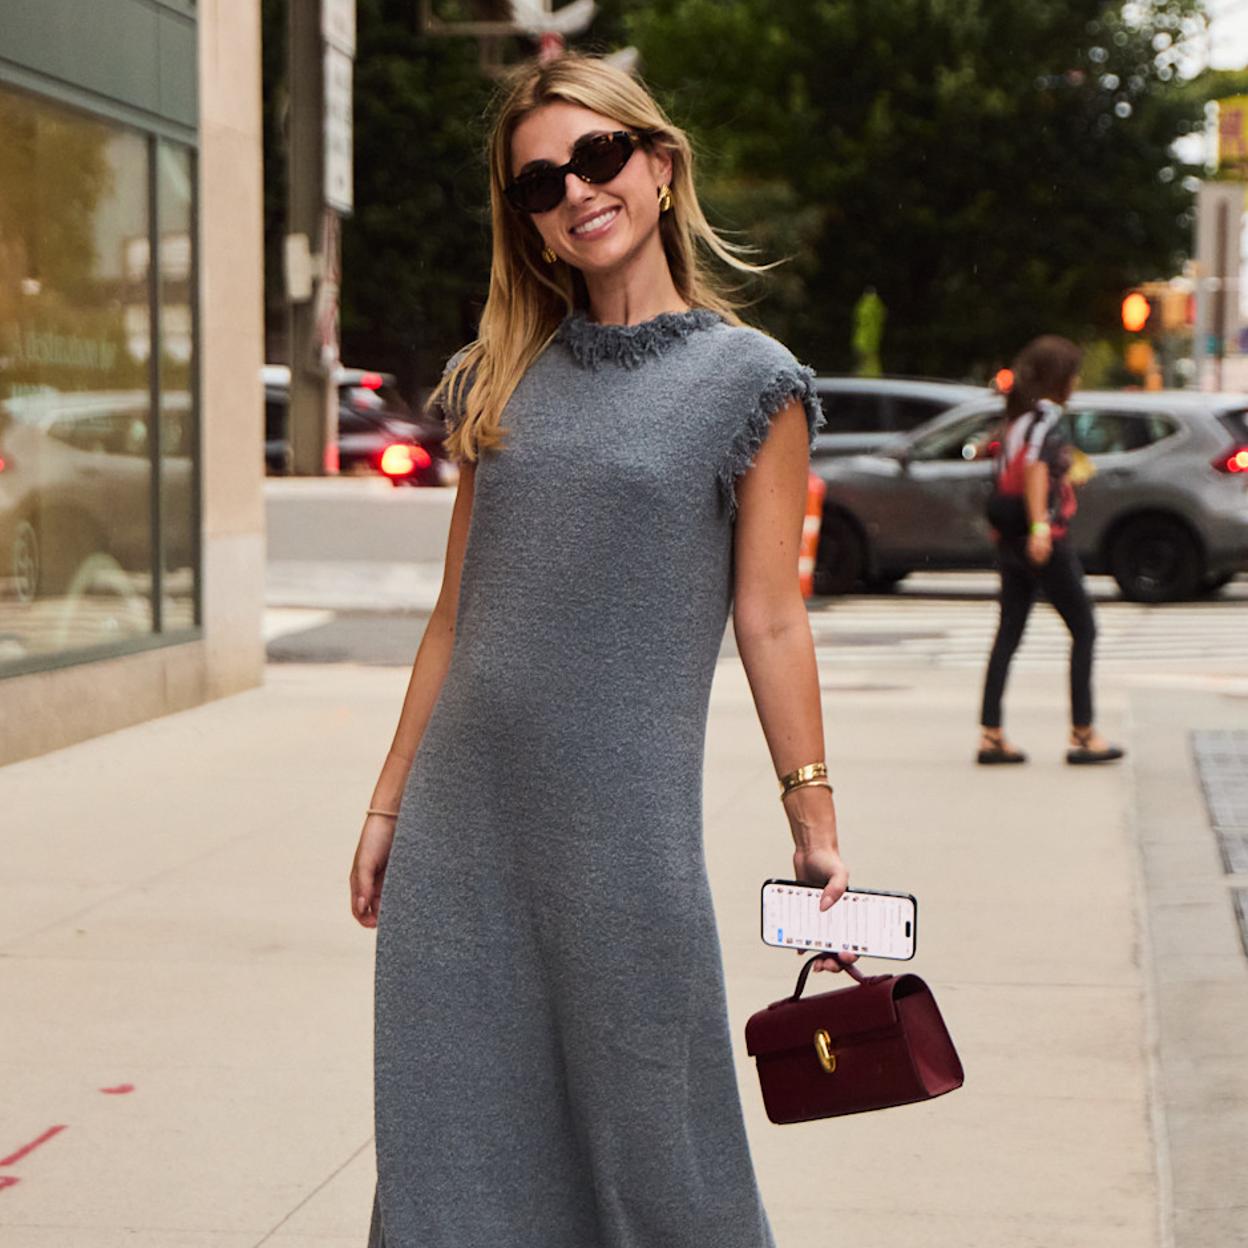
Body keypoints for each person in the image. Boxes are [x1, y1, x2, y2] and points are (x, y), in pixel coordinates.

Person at [348, 54, 851, 1248]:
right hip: (462, 829)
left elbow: (771, 615)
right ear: (524, 222)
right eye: (538, 183)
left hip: (624, 830)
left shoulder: (750, 383)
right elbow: (454, 619)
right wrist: (386, 809)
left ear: (659, 167)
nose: (575, 191)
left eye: (597, 158)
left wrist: (813, 812)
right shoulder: (498, 375)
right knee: (451, 1140)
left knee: (659, 1143)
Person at [977, 335, 1125, 766]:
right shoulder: (1045, 416)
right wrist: (1041, 525)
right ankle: (1083, 732)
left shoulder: (1017, 416)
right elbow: (1037, 467)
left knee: (1009, 631)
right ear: (1060, 378)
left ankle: (991, 733)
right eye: (1073, 373)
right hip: (1042, 537)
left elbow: (1011, 467)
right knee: (1085, 628)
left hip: (1009, 537)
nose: (1077, 381)